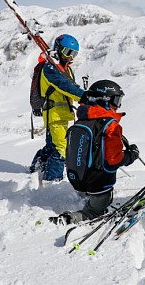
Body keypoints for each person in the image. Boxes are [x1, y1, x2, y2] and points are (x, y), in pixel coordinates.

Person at [50, 79, 139, 224]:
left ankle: (88, 199)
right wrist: (131, 155)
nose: (117, 106)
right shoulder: (110, 125)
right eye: (116, 100)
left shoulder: (82, 120)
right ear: (104, 100)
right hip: (99, 184)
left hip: (79, 179)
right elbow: (114, 159)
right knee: (94, 212)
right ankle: (72, 218)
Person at [28, 34, 85, 182]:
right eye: (68, 53)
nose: (70, 58)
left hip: (63, 114)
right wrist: (84, 96)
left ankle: (37, 167)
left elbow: (72, 86)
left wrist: (85, 96)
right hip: (54, 114)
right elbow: (64, 86)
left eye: (74, 54)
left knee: (53, 145)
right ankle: (52, 181)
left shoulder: (64, 69)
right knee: (62, 149)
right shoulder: (50, 68)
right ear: (59, 49)